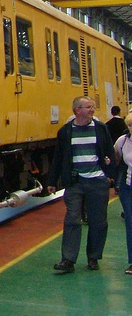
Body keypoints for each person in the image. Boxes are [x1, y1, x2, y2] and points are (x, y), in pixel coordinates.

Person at [47, 96, 116, 273]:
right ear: (77, 110)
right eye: (88, 107)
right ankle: (68, 260)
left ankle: (93, 257)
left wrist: (109, 176)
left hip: (97, 181)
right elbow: (59, 157)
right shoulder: (66, 132)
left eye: (92, 107)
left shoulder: (101, 129)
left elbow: (109, 151)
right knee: (72, 219)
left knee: (98, 222)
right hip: (75, 182)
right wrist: (52, 181)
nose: (92, 110)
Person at [114, 114, 132, 274]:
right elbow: (116, 159)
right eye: (131, 125)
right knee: (131, 223)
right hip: (129, 188)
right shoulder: (122, 141)